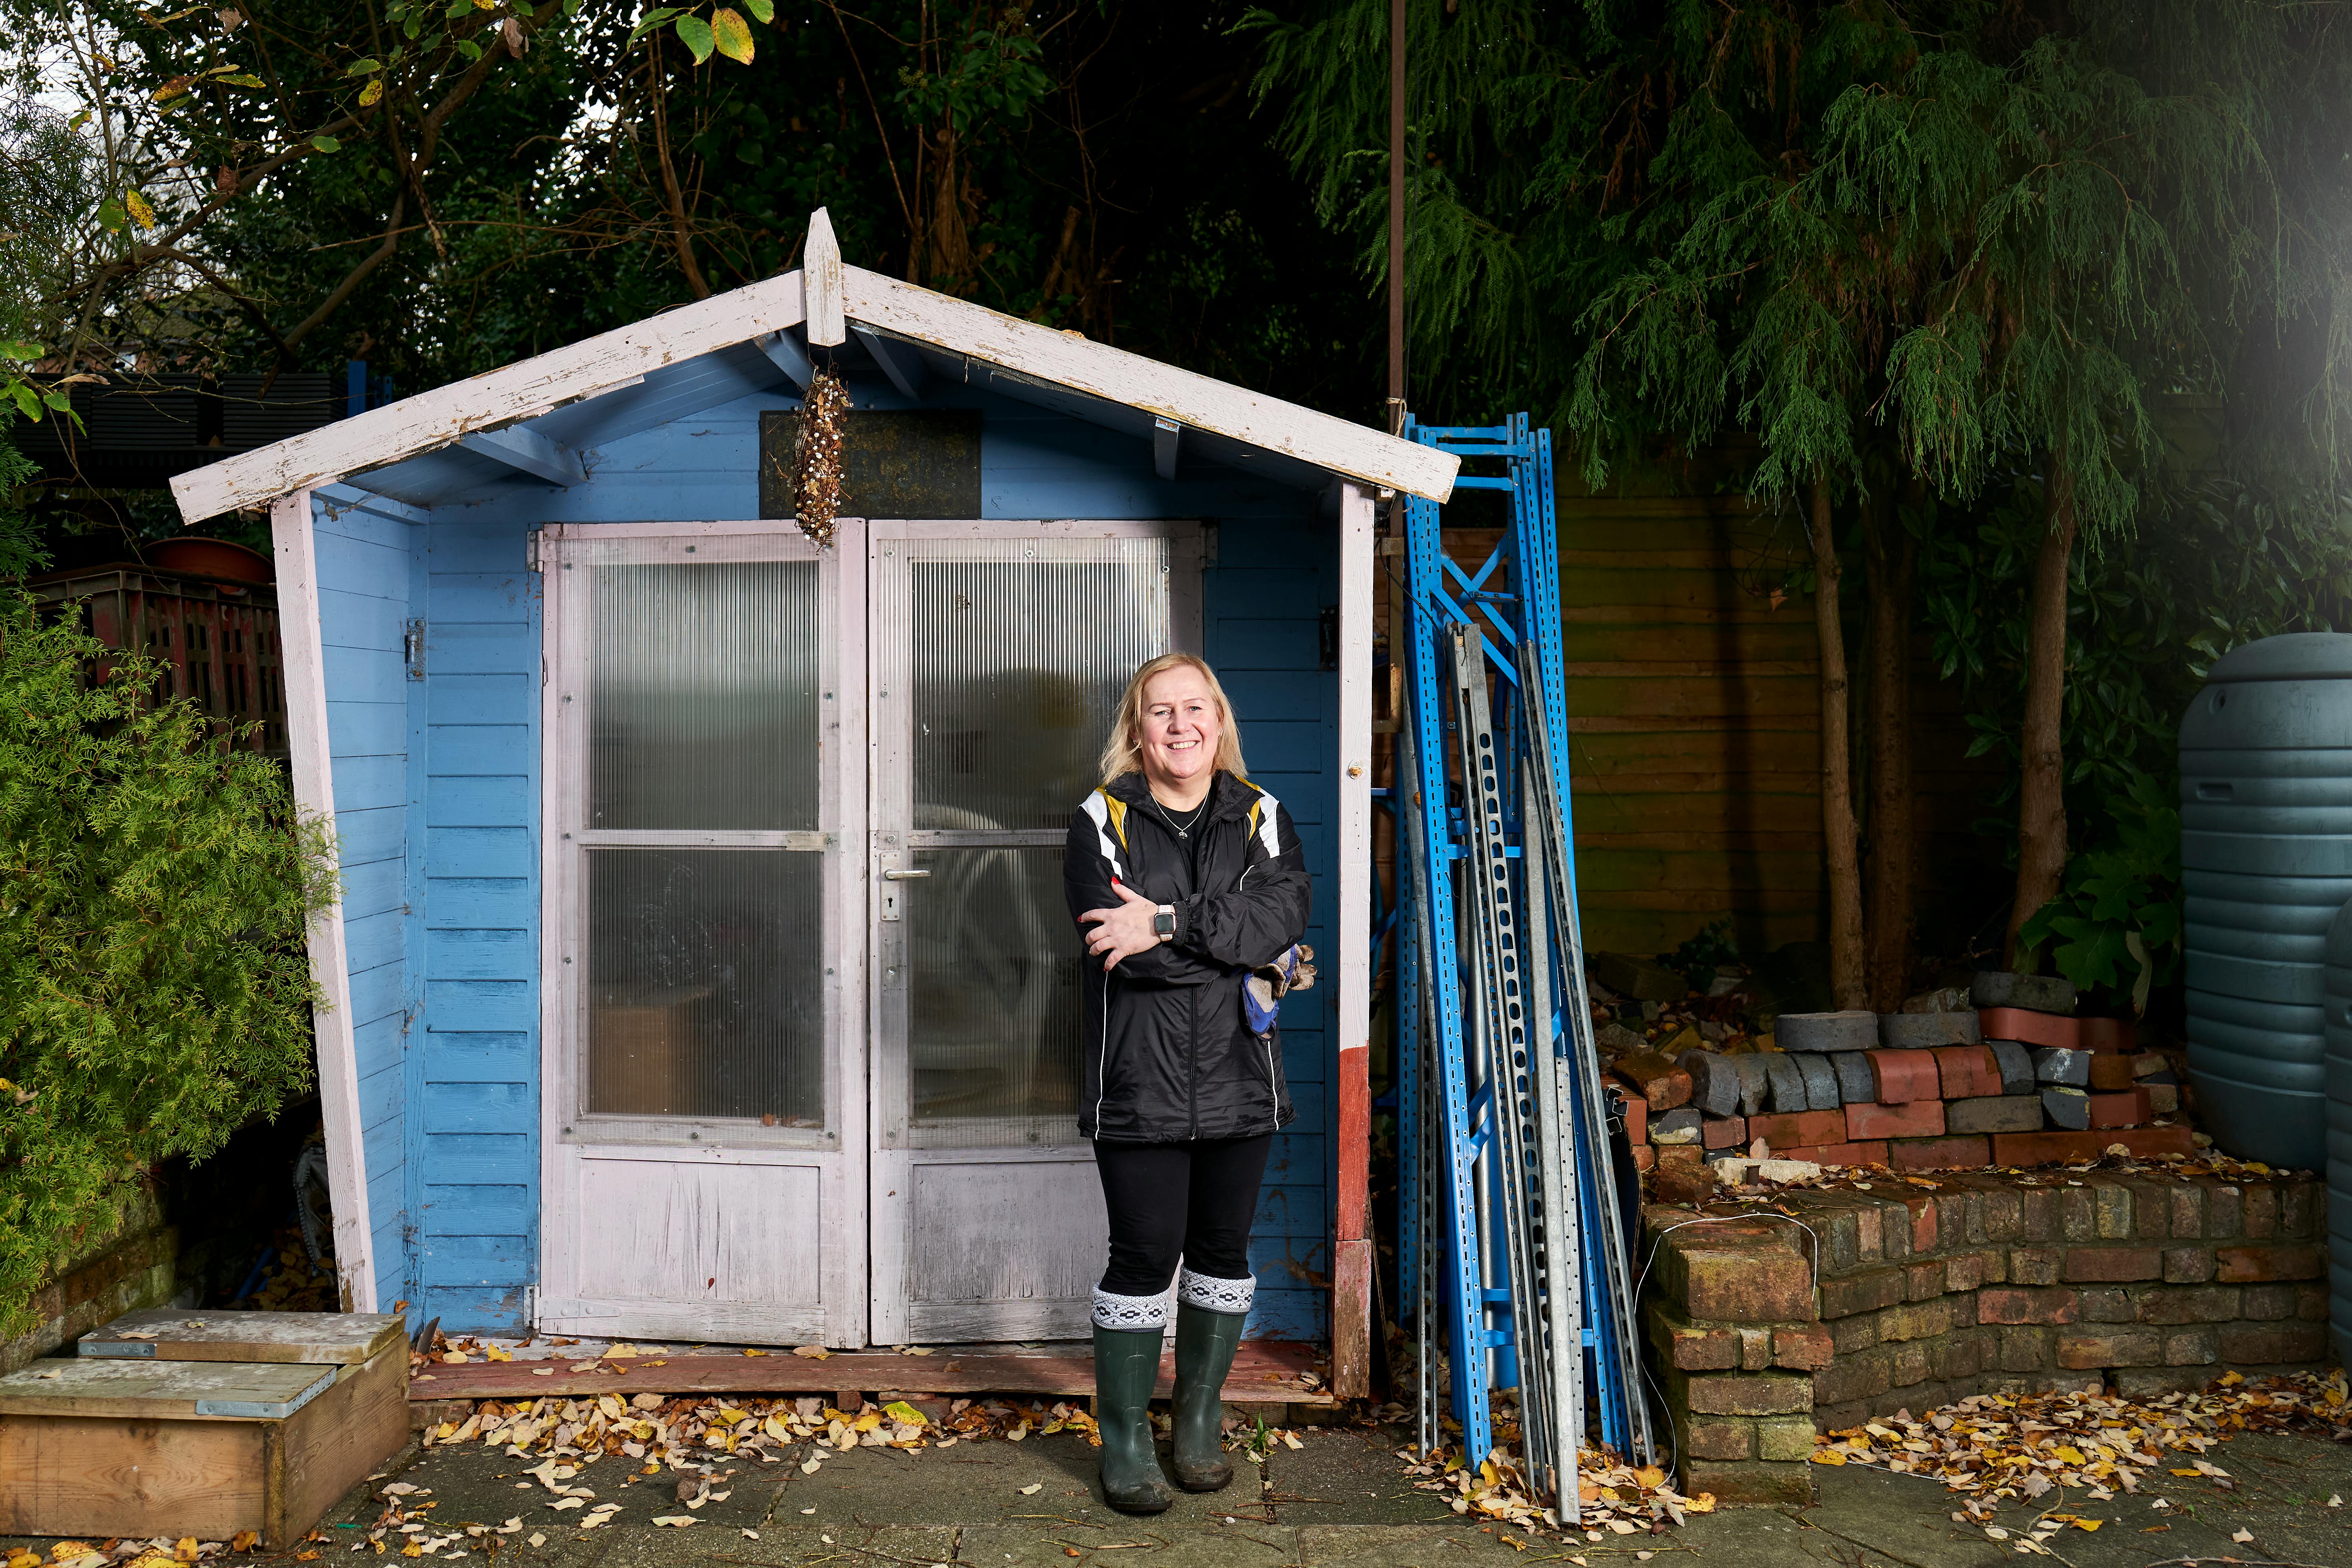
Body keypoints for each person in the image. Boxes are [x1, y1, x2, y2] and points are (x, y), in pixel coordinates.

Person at [1062, 652, 1312, 1514]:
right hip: (1137, 1084)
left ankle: (1196, 1419)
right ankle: (1126, 1436)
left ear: (1218, 720)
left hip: (1240, 1079)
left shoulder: (1261, 814)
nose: (1180, 726)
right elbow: (1117, 955)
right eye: (1160, 711)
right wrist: (1234, 947)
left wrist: (1164, 921)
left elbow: (1282, 920)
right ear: (1138, 727)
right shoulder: (1101, 818)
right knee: (1142, 1257)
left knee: (1220, 1254)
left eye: (1194, 708)